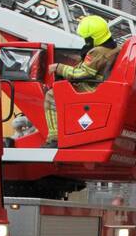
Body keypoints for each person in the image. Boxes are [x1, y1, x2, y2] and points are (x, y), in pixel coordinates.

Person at [42, 15, 120, 147]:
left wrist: (58, 67)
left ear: (93, 37)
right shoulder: (114, 48)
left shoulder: (97, 52)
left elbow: (82, 74)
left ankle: (54, 139)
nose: (85, 40)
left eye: (86, 38)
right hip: (102, 86)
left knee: (52, 95)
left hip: (93, 88)